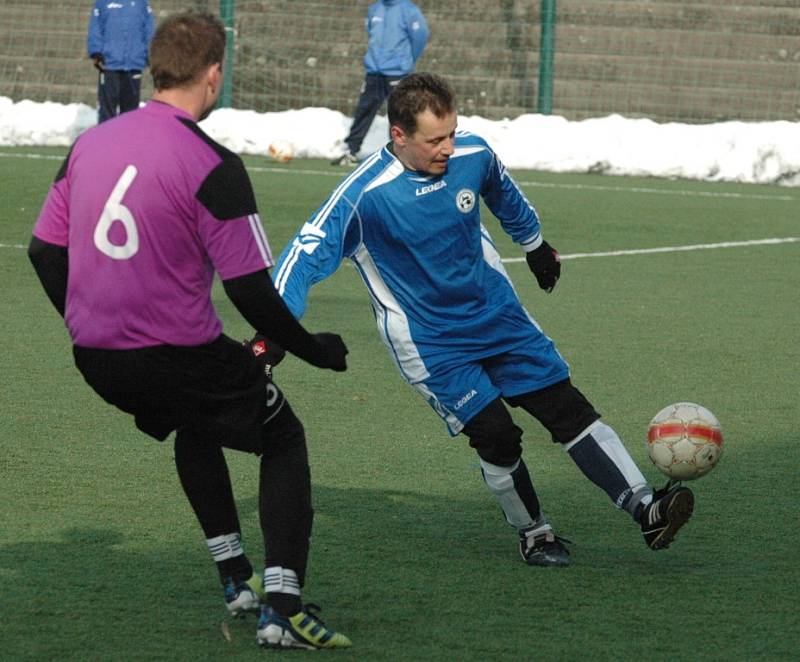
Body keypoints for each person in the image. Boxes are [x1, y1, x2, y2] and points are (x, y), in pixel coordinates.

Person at [275, 72, 695, 567]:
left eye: (451, 132)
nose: (448, 148)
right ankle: (534, 533)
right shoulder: (363, 196)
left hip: (498, 317)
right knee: (497, 434)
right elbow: (301, 259)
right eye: (434, 140)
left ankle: (647, 509)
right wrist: (276, 329)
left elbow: (504, 193)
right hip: (432, 344)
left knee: (567, 409)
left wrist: (535, 245)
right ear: (399, 136)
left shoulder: (473, 154)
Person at [29, 11, 351, 651]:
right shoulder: (212, 162)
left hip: (96, 357)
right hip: (177, 354)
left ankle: (236, 577)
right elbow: (250, 288)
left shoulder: (91, 143)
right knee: (282, 437)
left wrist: (86, 317)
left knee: (194, 419)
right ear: (213, 74)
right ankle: (282, 607)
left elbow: (43, 252)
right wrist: (315, 350)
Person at [331, 0, 428, 166]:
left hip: (398, 72)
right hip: (374, 72)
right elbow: (371, 34)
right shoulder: (374, 9)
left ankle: (400, 155)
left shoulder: (409, 10)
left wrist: (407, 61)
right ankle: (351, 151)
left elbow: (421, 36)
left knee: (398, 115)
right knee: (363, 110)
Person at [87, 0, 156, 123]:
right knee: (107, 108)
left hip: (134, 63)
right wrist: (96, 52)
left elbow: (149, 28)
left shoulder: (141, 3)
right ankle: (106, 139)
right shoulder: (102, 3)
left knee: (130, 109)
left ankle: (127, 140)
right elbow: (95, 27)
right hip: (108, 64)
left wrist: (150, 52)